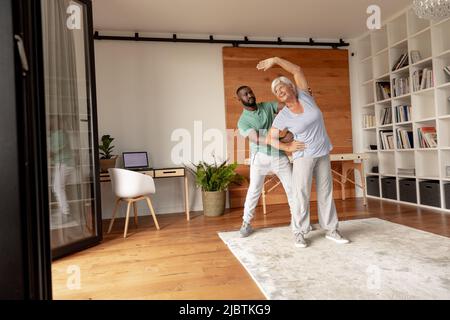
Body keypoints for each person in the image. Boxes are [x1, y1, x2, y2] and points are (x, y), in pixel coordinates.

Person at [258, 57, 350, 248]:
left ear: (291, 87)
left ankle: (331, 230)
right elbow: (269, 139)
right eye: (276, 91)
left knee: (326, 192)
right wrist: (288, 147)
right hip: (304, 156)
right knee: (301, 194)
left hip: (323, 151)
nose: (279, 91)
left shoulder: (306, 96)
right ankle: (299, 232)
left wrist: (275, 60)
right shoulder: (283, 115)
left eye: (282, 86)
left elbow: (297, 70)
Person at [236, 85, 305, 237]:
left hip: (279, 155)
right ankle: (246, 224)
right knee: (254, 190)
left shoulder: (267, 106)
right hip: (259, 158)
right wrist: (283, 139)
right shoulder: (243, 121)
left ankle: (298, 222)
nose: (249, 95)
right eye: (245, 94)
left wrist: (301, 95)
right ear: (240, 99)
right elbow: (256, 139)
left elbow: (287, 103)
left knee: (292, 189)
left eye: (250, 92)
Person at [49, 116, 76, 224]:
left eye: (53, 121)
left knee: (58, 188)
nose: (50, 123)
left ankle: (65, 213)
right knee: (57, 188)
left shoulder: (61, 134)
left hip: (65, 164)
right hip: (62, 164)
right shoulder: (55, 135)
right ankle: (64, 211)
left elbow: (53, 151)